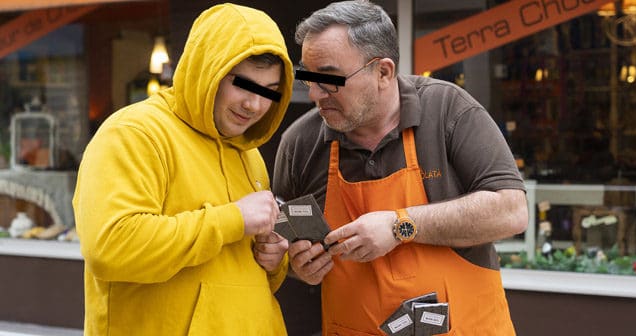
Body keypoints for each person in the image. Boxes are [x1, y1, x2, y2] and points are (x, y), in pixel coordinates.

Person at [272, 1, 529, 335]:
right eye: (308, 77)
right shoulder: (300, 144)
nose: (315, 95)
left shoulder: (449, 111)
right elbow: (280, 244)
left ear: (383, 72)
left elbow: (511, 210)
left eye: (330, 80)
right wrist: (297, 265)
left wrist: (400, 226)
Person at [73, 4, 293, 335]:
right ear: (208, 71)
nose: (255, 105)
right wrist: (232, 219)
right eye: (244, 85)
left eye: (270, 92)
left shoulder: (249, 153)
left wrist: (274, 260)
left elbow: (240, 271)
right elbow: (110, 248)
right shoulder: (134, 132)